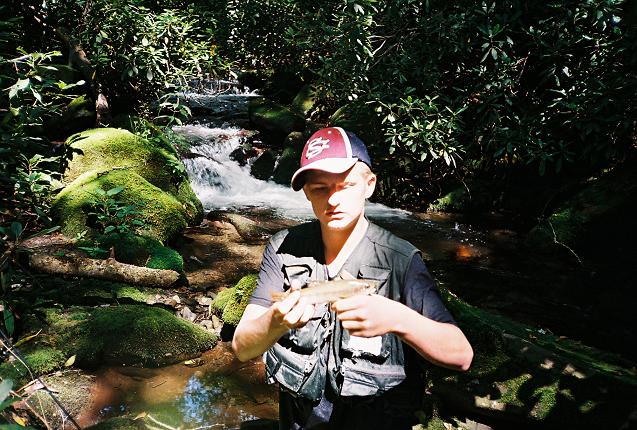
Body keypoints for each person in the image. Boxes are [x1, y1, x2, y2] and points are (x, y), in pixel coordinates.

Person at [232, 127, 473, 430]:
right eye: (320, 189)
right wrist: (275, 321)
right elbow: (242, 347)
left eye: (344, 185)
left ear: (369, 185)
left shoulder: (400, 259)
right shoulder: (284, 249)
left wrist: (399, 319)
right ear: (306, 193)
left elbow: (462, 355)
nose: (333, 200)